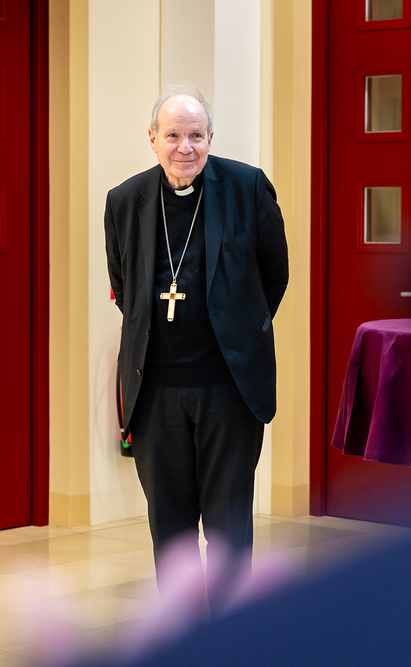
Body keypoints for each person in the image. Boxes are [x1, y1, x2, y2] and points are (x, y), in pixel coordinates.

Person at [104, 84, 288, 589]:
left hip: (228, 388)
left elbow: (275, 276)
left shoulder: (247, 188)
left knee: (229, 526)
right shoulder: (124, 201)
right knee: (170, 530)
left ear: (211, 137)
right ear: (152, 139)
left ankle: (230, 629)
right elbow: (124, 288)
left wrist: (238, 332)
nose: (185, 147)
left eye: (196, 136)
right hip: (155, 392)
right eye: (173, 136)